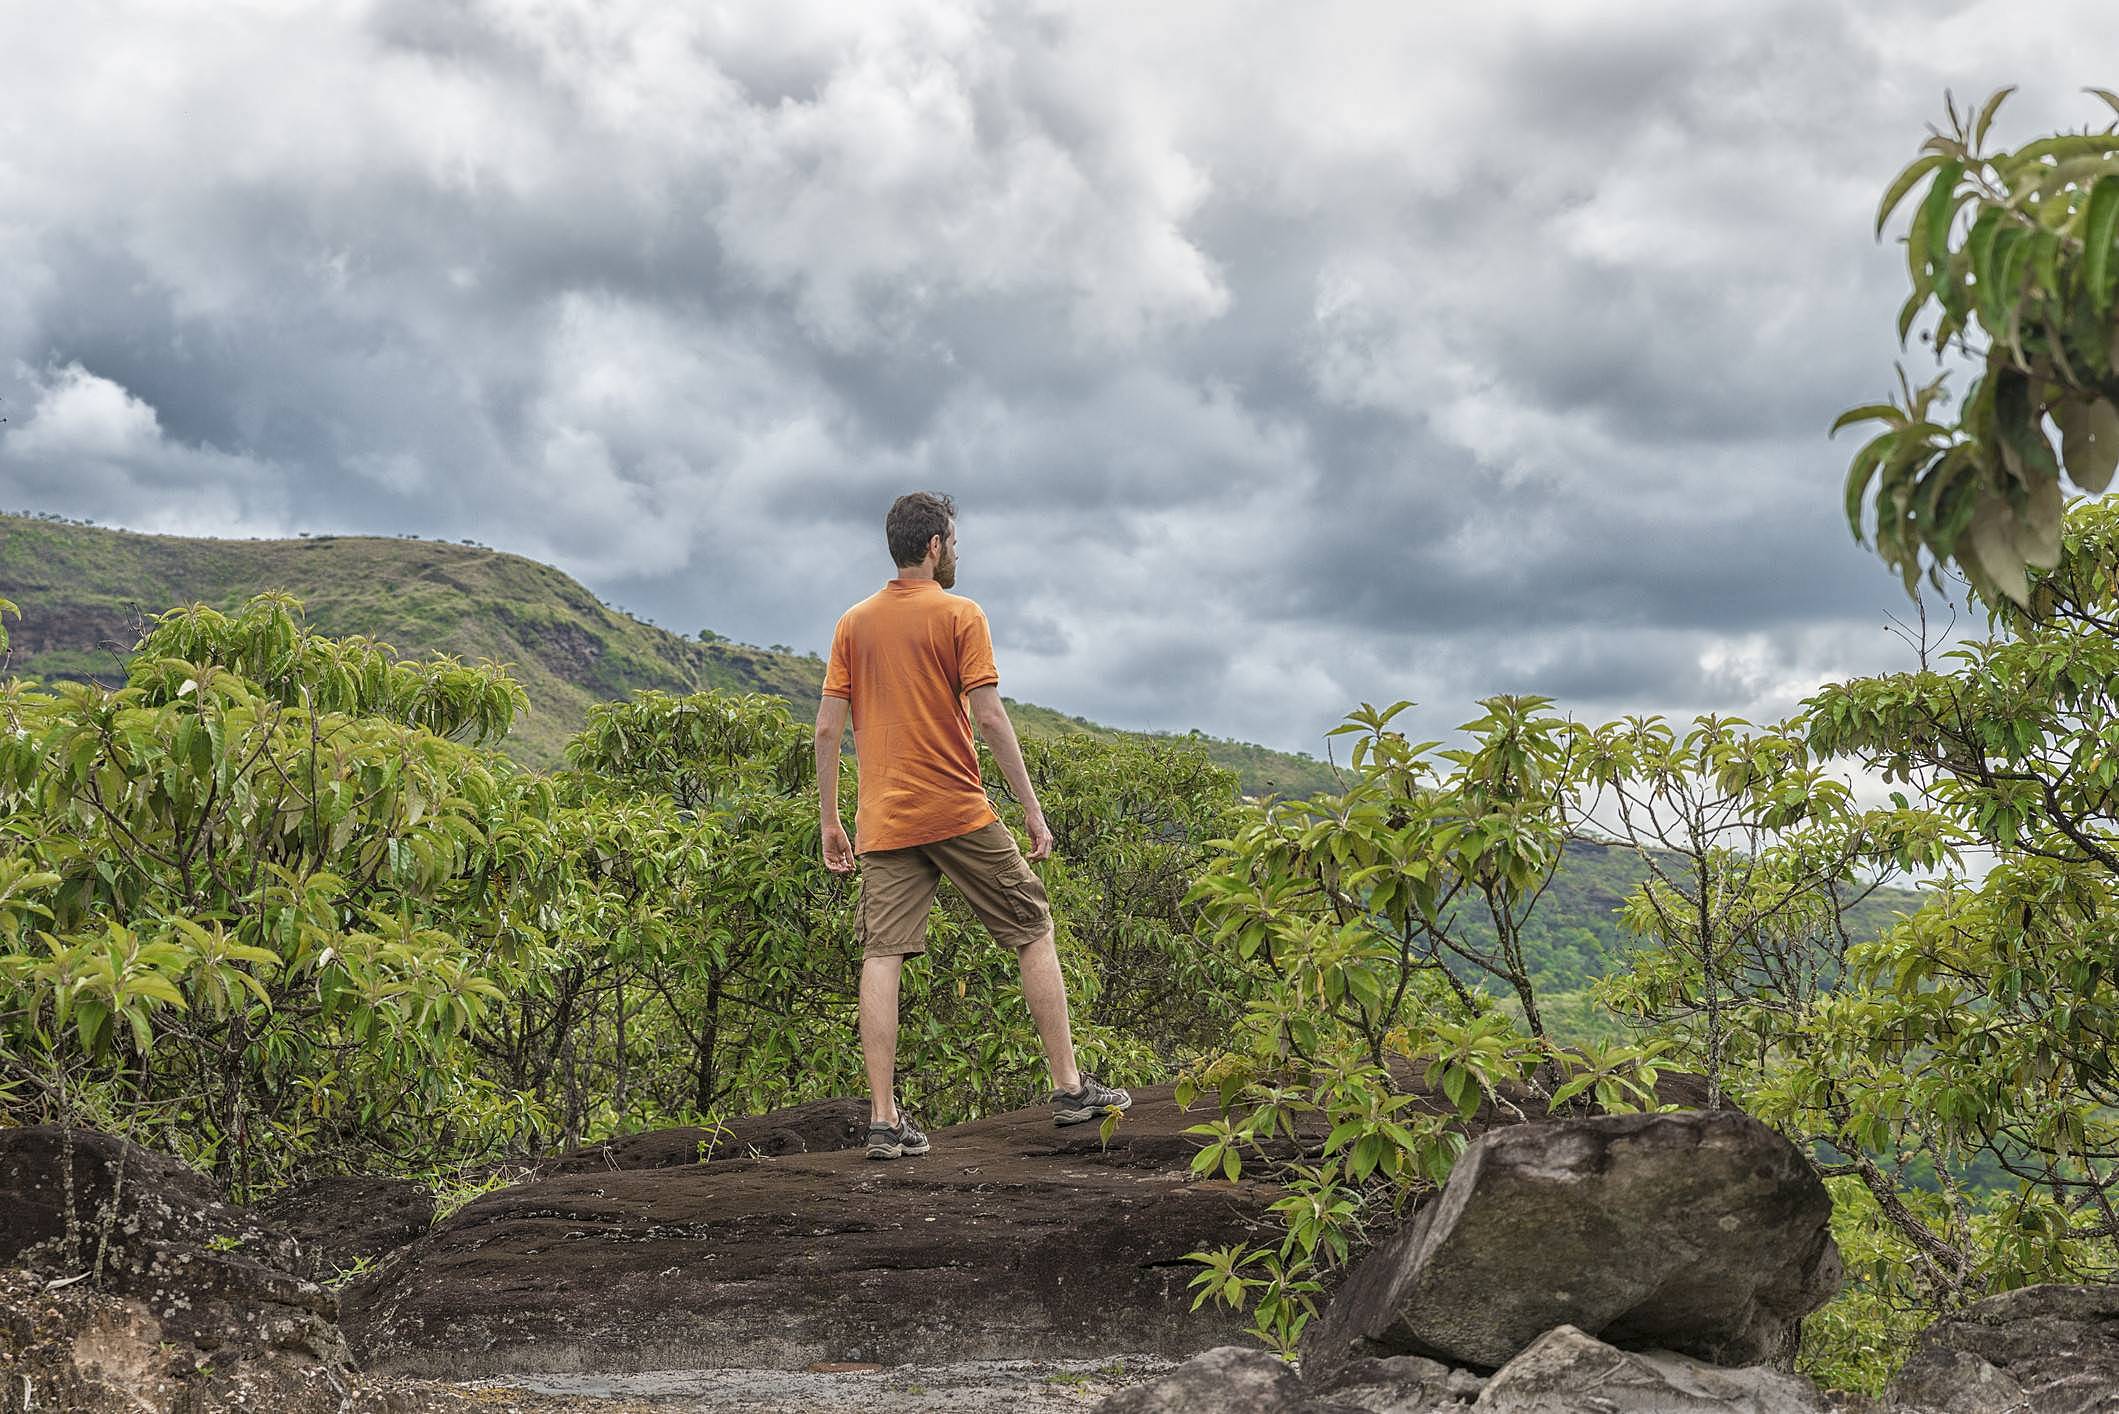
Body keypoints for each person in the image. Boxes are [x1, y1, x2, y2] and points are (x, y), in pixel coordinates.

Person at [815, 491, 1132, 1160]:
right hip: (956, 808)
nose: (956, 551)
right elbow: (987, 715)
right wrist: (1031, 807)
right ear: (934, 546)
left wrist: (831, 822)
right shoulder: (961, 613)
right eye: (953, 541)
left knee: (881, 955)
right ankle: (1070, 1088)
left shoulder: (853, 624)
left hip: (884, 819)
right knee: (1032, 926)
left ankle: (882, 1120)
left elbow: (825, 730)